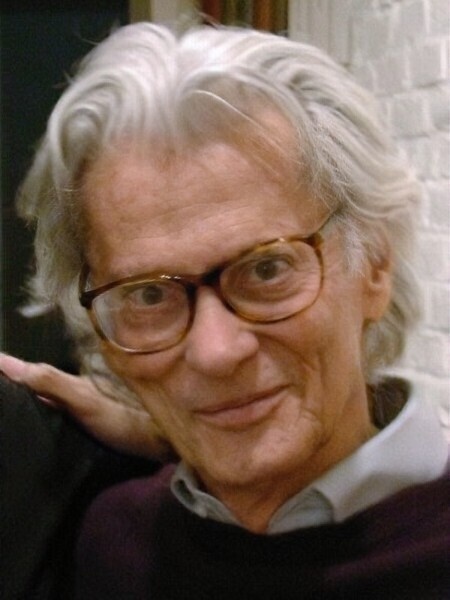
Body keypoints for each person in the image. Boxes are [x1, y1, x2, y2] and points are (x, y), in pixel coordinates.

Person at [2, 21, 449, 600]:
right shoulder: (111, 548)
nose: (215, 352)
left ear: (375, 267)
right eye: (149, 294)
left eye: (266, 270)